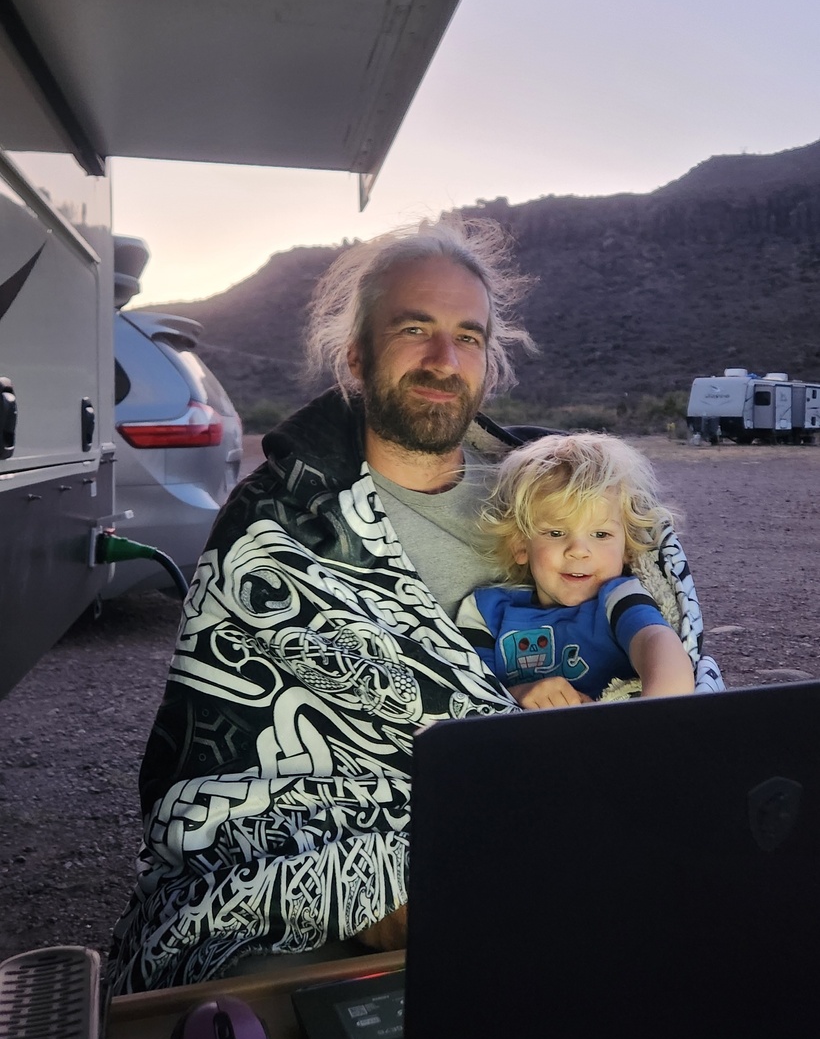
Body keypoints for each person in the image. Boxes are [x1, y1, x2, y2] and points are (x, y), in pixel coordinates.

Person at [107, 216, 717, 994]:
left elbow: (672, 651)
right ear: (356, 354)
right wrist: (393, 886)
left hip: (593, 825)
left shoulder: (554, 497)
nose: (443, 359)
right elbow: (228, 776)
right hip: (388, 879)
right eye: (415, 329)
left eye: (468, 337)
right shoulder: (282, 526)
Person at [456, 432, 696, 708]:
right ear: (521, 545)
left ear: (627, 548)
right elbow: (470, 691)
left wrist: (649, 718)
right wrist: (519, 694)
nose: (578, 550)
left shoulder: (618, 601)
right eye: (556, 533)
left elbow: (659, 646)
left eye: (601, 534)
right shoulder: (485, 612)